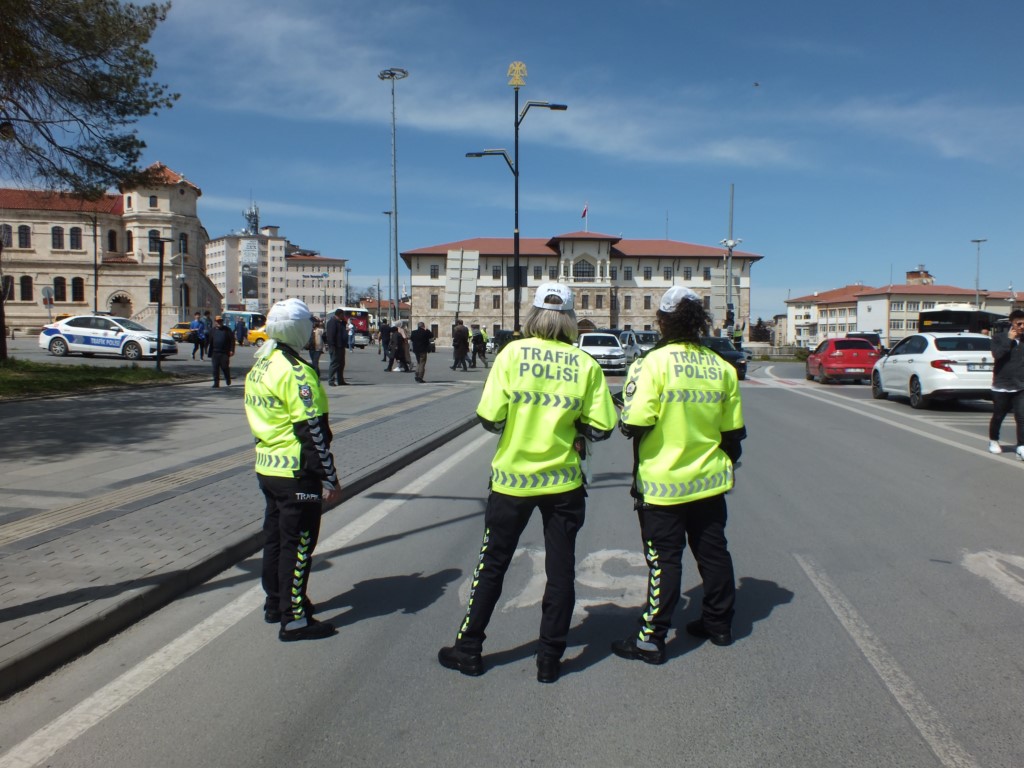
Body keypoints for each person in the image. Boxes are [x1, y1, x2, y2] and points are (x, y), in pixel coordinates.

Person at [438, 283, 617, 683]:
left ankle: (469, 649)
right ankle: (549, 660)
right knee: (561, 569)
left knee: (493, 564)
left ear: (533, 314)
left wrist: (518, 425)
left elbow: (490, 418)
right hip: (564, 484)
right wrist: (573, 429)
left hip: (511, 482)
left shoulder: (511, 354)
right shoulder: (584, 364)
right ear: (570, 319)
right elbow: (603, 426)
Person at [612, 286, 746, 665]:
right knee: (713, 552)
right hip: (709, 482)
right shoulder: (721, 367)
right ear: (698, 321)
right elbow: (733, 436)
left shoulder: (651, 363)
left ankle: (651, 639)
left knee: (664, 561)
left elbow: (635, 423)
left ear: (663, 322)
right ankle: (719, 624)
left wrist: (624, 410)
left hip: (663, 485)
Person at [244, 298, 341, 641]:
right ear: (299, 329)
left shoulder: (261, 364)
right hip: (296, 473)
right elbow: (312, 431)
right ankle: (294, 618)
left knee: (274, 539)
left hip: (267, 468)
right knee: (298, 545)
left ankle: (276, 601)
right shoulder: (296, 371)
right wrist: (329, 476)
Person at [989, 309, 1024, 457]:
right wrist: (1009, 340)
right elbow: (997, 355)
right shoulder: (998, 338)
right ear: (1012, 323)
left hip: (1021, 385)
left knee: (1022, 417)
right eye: (1019, 323)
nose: (1022, 326)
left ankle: (1021, 446)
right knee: (998, 416)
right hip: (1001, 385)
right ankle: (993, 440)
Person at [209, 314, 236, 388]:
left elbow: (232, 341)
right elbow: (209, 341)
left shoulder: (227, 330)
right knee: (215, 368)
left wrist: (231, 350)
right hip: (215, 352)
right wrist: (207, 350)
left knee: (224, 367)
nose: (219, 323)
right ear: (215, 322)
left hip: (224, 353)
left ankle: (227, 379)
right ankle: (216, 383)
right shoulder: (212, 330)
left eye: (220, 321)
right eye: (217, 321)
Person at [324, 309, 348, 386]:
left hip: (341, 346)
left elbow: (343, 332)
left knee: (341, 364)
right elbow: (330, 335)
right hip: (335, 346)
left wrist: (344, 322)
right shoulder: (332, 322)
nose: (344, 316)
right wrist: (332, 345)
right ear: (339, 315)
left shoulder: (340, 323)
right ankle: (331, 380)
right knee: (334, 363)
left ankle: (340, 380)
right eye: (343, 315)